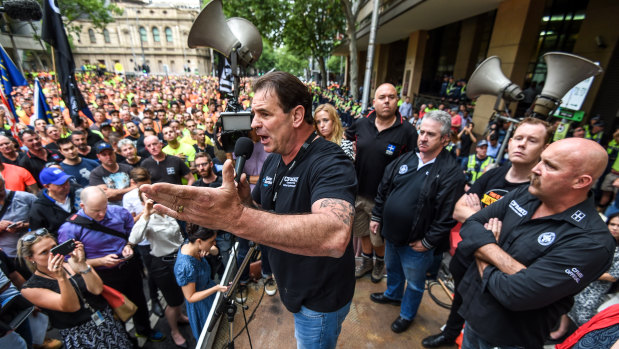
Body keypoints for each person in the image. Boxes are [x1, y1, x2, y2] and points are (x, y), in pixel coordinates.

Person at [142, 71, 357, 349]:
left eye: (264, 114)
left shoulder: (331, 161)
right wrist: (243, 204)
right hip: (292, 286)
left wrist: (237, 218)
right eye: (253, 115)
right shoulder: (274, 159)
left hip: (320, 300)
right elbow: (263, 214)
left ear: (296, 115)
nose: (254, 125)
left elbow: (335, 235)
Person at [456, 138, 616, 348]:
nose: (536, 169)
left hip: (509, 337)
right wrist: (502, 258)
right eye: (541, 160)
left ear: (580, 181)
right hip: (474, 312)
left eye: (549, 165)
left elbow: (516, 294)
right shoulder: (528, 193)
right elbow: (472, 225)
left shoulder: (592, 243)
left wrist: (481, 250)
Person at [422, 117, 551, 348]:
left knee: (484, 314)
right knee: (459, 299)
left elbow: (511, 233)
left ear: (545, 149)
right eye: (518, 138)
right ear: (509, 142)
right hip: (466, 259)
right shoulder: (494, 175)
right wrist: (484, 222)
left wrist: (479, 213)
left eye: (532, 140)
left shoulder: (535, 190)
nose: (522, 144)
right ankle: (450, 333)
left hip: (495, 268)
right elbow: (458, 209)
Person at [369, 110, 465, 333]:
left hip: (417, 244)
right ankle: (392, 294)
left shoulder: (451, 173)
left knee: (414, 283)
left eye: (430, 134)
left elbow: (447, 215)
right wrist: (377, 215)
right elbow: (384, 187)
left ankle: (407, 314)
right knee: (393, 269)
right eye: (421, 132)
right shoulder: (406, 158)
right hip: (392, 235)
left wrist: (429, 242)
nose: (422, 137)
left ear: (444, 139)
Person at [57, 186, 165, 342]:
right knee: (114, 309)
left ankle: (144, 330)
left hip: (128, 266)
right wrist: (100, 261)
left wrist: (129, 245)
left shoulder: (119, 212)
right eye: (96, 211)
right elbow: (70, 263)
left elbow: (132, 234)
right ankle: (124, 339)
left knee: (139, 300)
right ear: (82, 206)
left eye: (104, 208)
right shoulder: (69, 229)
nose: (101, 214)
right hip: (101, 275)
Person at [345, 83, 417, 283]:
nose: (387, 101)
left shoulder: (407, 131)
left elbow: (414, 163)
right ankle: (367, 262)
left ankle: (379, 262)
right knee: (361, 232)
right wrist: (347, 160)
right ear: (374, 102)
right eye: (382, 97)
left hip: (384, 198)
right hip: (358, 192)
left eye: (392, 97)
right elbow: (346, 137)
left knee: (378, 237)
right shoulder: (361, 123)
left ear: (397, 101)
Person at [17, 230, 132, 348]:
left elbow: (97, 289)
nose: (52, 255)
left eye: (54, 248)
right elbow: (72, 306)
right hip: (80, 334)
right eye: (44, 252)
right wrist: (61, 277)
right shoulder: (30, 289)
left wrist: (82, 264)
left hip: (106, 321)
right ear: (30, 258)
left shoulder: (72, 262)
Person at [129, 190, 188, 347]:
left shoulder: (168, 212)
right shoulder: (146, 219)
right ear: (143, 203)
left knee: (181, 294)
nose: (152, 201)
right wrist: (146, 215)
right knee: (173, 301)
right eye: (147, 199)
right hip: (162, 264)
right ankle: (174, 331)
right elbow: (134, 239)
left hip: (179, 258)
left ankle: (180, 316)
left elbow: (178, 235)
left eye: (154, 197)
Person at [548, 212, 619, 342]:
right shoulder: (600, 239)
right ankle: (561, 331)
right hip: (581, 278)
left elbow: (613, 277)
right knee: (568, 305)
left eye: (618, 226)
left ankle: (581, 339)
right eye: (612, 224)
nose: (614, 228)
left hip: (596, 287)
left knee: (585, 315)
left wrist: (590, 272)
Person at [173, 227, 226, 341]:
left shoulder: (190, 244)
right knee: (212, 336)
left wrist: (209, 249)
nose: (214, 243)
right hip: (201, 304)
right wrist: (216, 288)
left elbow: (215, 250)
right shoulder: (186, 266)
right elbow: (191, 297)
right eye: (211, 241)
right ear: (199, 241)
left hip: (208, 292)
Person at [29, 168, 78, 234]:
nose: (66, 186)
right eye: (61, 184)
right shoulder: (38, 209)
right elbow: (38, 234)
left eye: (67, 181)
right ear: (47, 186)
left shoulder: (78, 192)